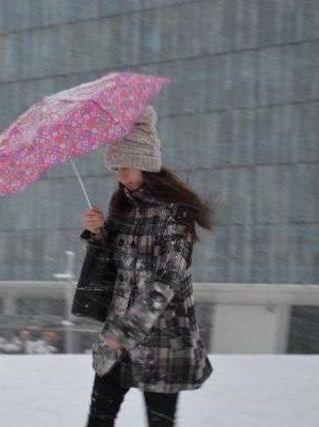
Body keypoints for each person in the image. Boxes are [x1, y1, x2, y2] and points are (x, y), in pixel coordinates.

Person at [80, 105, 215, 427]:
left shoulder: (175, 214)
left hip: (163, 341)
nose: (121, 174)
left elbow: (167, 280)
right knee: (98, 419)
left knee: (159, 423)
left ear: (145, 163)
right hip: (118, 341)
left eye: (126, 165)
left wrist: (126, 329)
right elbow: (117, 268)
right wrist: (98, 235)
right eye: (115, 168)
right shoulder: (124, 208)